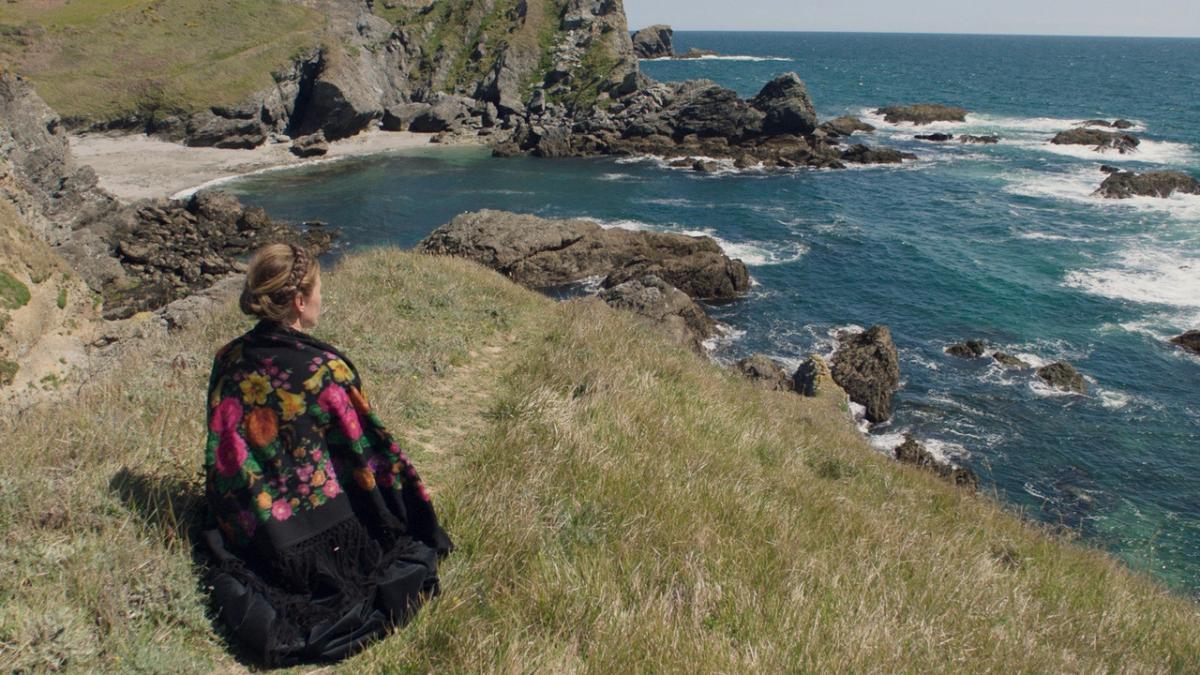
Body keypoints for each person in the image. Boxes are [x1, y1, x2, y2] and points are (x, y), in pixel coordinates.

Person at [200, 243, 452, 666]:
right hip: (326, 545)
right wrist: (412, 504)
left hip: (255, 530)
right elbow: (366, 451)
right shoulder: (324, 370)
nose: (322, 299)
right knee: (404, 543)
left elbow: (222, 450)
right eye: (318, 290)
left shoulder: (228, 359)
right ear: (299, 302)